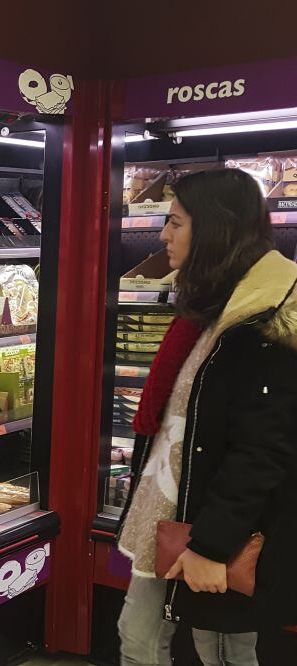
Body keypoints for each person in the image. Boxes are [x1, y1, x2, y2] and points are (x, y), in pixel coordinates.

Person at [116, 168, 297, 666]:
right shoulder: (210, 305)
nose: (162, 235)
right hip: (173, 512)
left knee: (218, 649)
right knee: (140, 636)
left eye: (175, 223)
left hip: (220, 528)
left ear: (214, 228)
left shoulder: (267, 323)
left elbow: (262, 451)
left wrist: (212, 546)